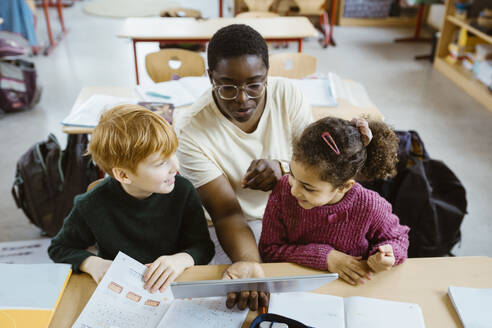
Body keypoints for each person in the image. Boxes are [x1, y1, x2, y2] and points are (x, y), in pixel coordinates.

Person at [173, 24, 312, 309]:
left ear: (267, 75)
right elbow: (226, 214)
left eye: (254, 84)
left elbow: (316, 167)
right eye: (227, 86)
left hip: (290, 214)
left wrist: (284, 170)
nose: (242, 98)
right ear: (210, 77)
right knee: (237, 301)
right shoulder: (190, 130)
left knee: (308, 297)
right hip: (231, 228)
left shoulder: (288, 95)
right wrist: (249, 264)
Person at [48, 105, 214, 293]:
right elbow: (59, 248)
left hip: (174, 286)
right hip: (122, 292)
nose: (176, 167)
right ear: (124, 176)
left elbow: (203, 246)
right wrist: (93, 264)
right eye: (161, 163)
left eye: (174, 153)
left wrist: (181, 259)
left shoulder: (183, 190)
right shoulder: (91, 204)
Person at [259, 117, 410, 285]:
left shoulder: (370, 205)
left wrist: (387, 255)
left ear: (344, 187)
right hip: (298, 285)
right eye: (292, 174)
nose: (293, 190)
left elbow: (399, 239)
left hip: (354, 287)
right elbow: (268, 250)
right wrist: (325, 257)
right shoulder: (283, 191)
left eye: (308, 188)